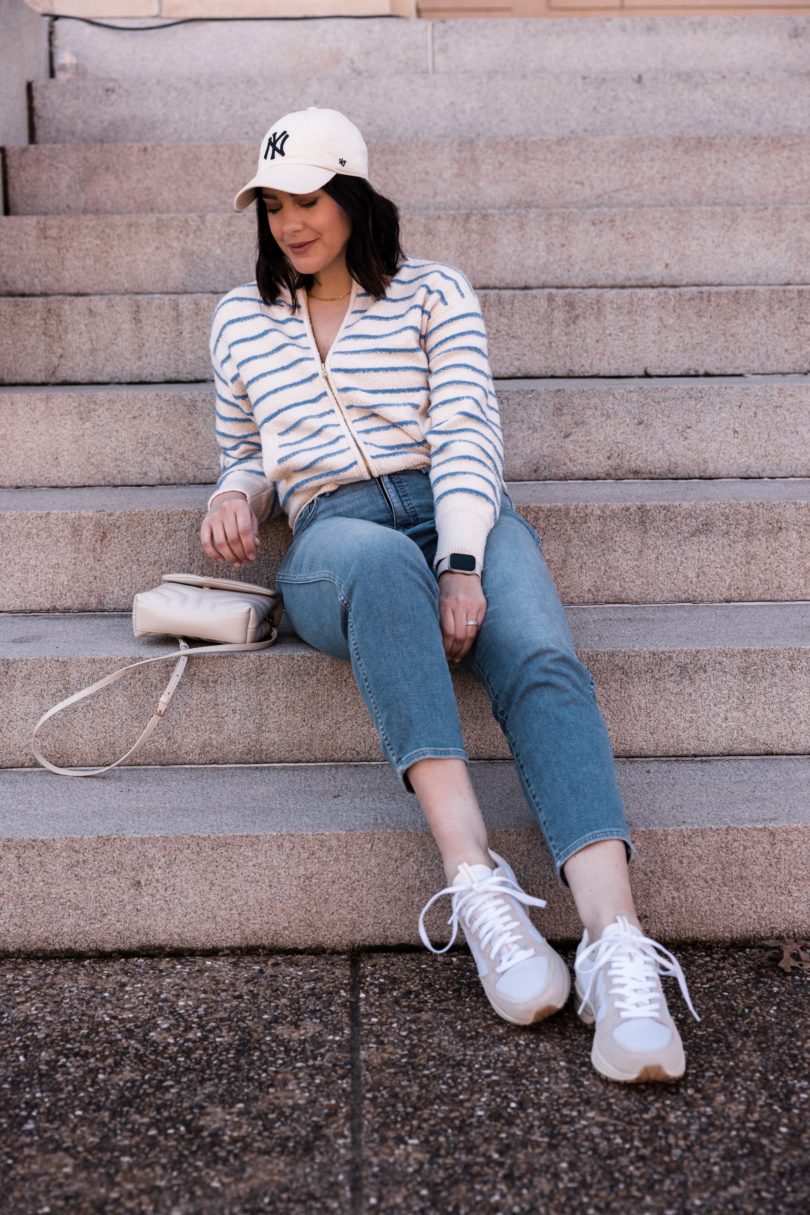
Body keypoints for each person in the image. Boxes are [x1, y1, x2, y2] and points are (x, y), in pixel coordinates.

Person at [200, 106, 698, 1084]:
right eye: (272, 206)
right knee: (383, 566)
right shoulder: (238, 319)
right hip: (332, 533)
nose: (290, 224)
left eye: (308, 201)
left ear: (352, 199)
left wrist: (463, 560)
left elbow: (468, 430)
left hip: (454, 503)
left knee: (544, 656)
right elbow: (245, 447)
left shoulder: (433, 293)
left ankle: (616, 945)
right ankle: (477, 889)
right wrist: (232, 492)